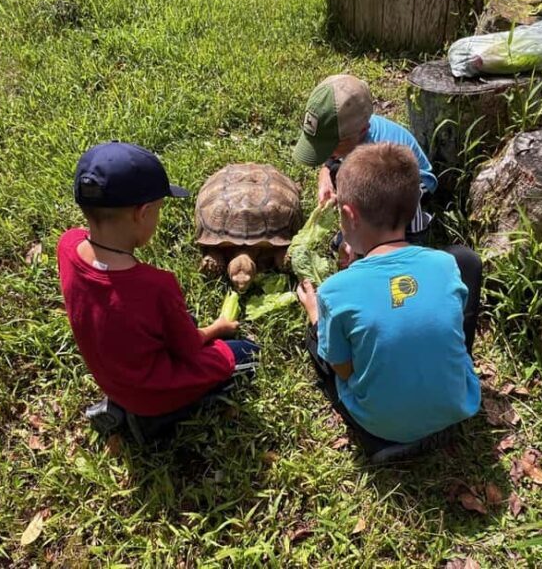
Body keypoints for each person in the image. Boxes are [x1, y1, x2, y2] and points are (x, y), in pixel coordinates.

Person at [57, 142, 259, 441]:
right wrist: (219, 328)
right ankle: (157, 416)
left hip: (114, 376)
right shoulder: (155, 286)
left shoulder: (68, 245)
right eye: (159, 209)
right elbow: (190, 349)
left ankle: (125, 405)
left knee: (179, 324)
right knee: (247, 354)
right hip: (155, 391)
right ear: (144, 212)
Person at [295, 143, 481, 464]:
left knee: (319, 340)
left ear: (348, 214)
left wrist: (316, 315)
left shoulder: (335, 291)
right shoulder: (446, 265)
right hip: (458, 408)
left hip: (381, 428)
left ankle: (382, 439)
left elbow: (344, 368)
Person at [292, 74, 438, 240]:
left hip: (413, 182)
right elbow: (333, 158)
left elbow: (383, 190)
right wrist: (324, 175)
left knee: (388, 211)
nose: (328, 154)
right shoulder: (351, 131)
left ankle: (413, 234)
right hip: (371, 171)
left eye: (331, 147)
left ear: (362, 131)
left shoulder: (379, 153)